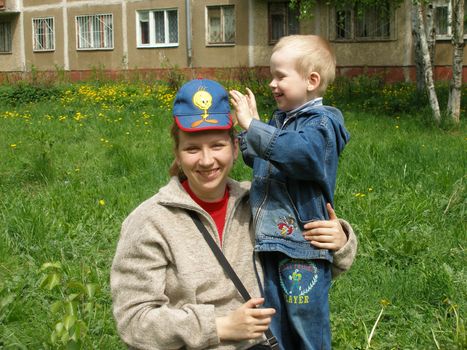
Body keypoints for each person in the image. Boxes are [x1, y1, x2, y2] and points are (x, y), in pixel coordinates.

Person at [111, 79, 357, 350]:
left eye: (217, 146)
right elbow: (133, 321)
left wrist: (340, 241)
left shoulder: (263, 203)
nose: (206, 160)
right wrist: (219, 327)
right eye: (192, 149)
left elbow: (301, 273)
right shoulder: (149, 221)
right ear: (177, 155)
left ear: (236, 148)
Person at [229, 35, 350, 350]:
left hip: (302, 248)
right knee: (275, 325)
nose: (272, 83)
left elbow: (302, 156)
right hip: (270, 242)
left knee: (305, 326)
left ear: (312, 81)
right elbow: (255, 159)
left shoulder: (322, 125)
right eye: (272, 75)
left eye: (280, 76)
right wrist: (249, 129)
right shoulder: (280, 121)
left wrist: (256, 128)